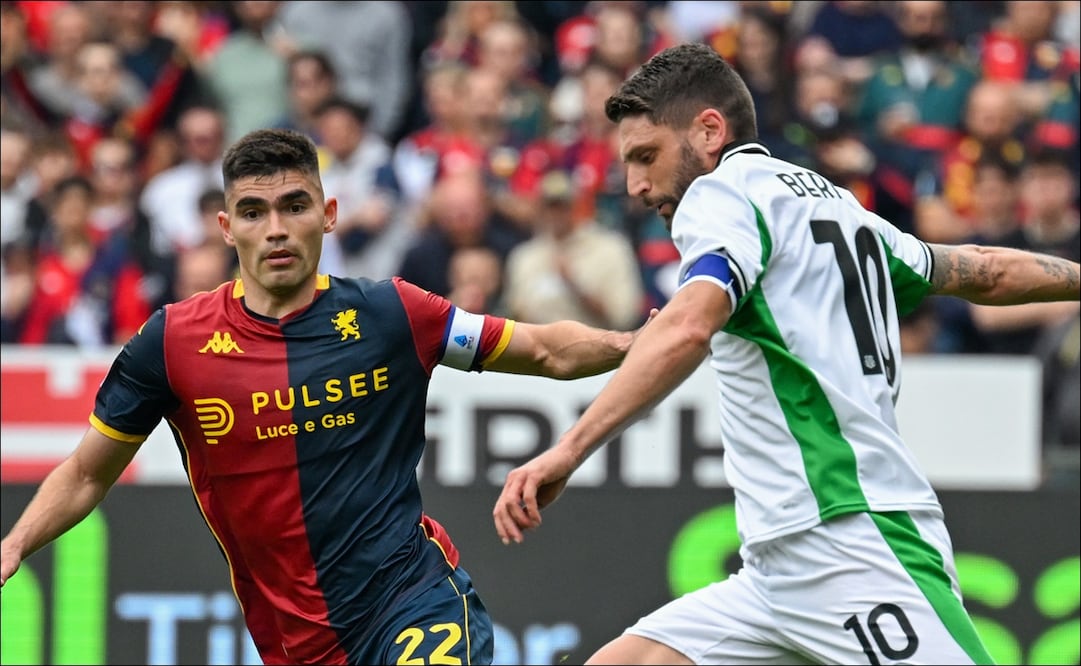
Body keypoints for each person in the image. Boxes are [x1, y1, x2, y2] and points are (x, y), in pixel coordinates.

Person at [493, 42, 1081, 665]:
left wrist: (568, 448)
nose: (636, 185)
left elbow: (690, 326)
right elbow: (982, 270)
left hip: (854, 541)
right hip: (776, 568)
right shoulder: (838, 205)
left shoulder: (719, 197)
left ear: (709, 131)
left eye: (646, 156)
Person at [0, 128, 652, 665]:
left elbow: (543, 349)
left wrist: (640, 344)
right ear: (228, 228)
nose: (276, 228)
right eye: (255, 212)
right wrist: (16, 543)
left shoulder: (393, 314)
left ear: (329, 214)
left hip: (413, 598)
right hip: (294, 644)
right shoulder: (171, 342)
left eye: (294, 205)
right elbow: (88, 472)